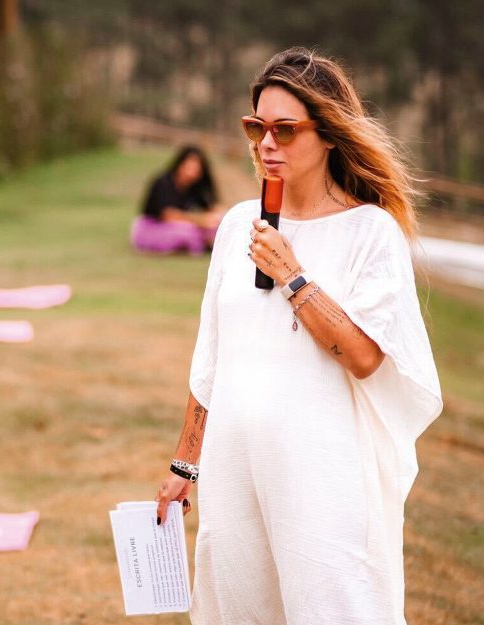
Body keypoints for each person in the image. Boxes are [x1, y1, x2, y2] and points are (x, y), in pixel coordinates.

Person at [154, 48, 442, 624]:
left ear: (329, 134)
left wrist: (292, 276)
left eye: (286, 130)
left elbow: (363, 357)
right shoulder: (239, 223)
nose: (266, 144)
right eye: (256, 126)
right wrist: (185, 465)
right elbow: (211, 358)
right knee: (240, 607)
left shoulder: (371, 232)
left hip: (323, 474)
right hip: (235, 468)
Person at [131, 145, 226, 255]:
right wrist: (201, 221)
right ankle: (203, 245)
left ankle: (208, 244)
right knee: (187, 233)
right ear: (180, 165)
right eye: (189, 167)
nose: (192, 172)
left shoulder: (195, 187)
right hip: (153, 227)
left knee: (215, 227)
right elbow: (168, 215)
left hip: (179, 225)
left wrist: (221, 216)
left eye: (196, 169)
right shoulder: (163, 182)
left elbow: (211, 207)